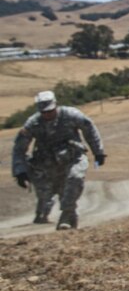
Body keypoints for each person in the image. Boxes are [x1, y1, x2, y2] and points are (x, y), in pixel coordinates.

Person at [10, 90, 106, 230]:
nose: (47, 114)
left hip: (74, 157)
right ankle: (70, 218)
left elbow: (89, 129)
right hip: (49, 165)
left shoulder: (71, 115)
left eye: (50, 111)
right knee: (60, 193)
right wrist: (20, 171)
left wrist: (98, 152)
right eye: (44, 112)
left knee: (75, 178)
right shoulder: (33, 123)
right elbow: (19, 148)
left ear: (56, 105)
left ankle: (65, 217)